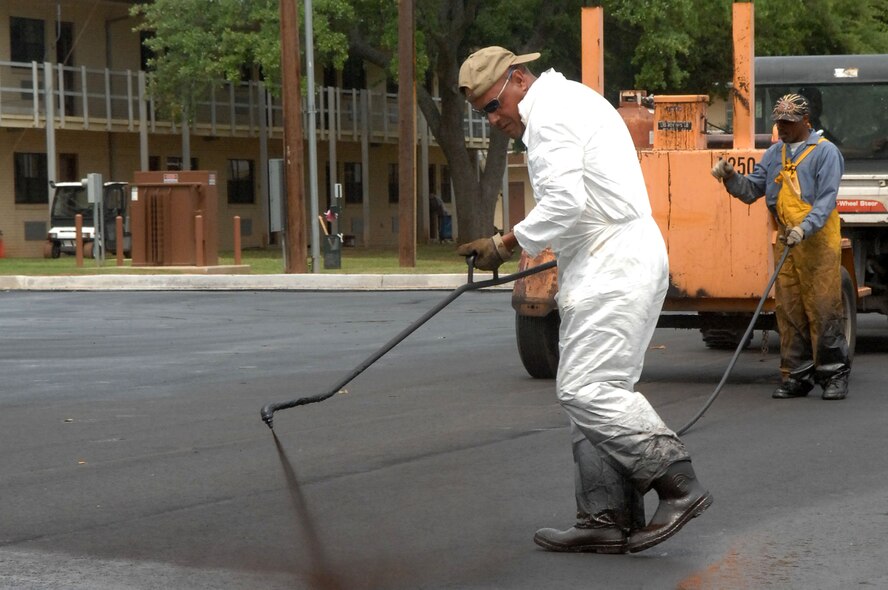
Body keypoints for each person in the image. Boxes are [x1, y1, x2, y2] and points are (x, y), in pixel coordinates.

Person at [455, 46, 712, 554]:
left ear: (518, 80)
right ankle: (605, 515)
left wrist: (505, 244)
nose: (493, 119)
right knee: (597, 391)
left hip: (614, 265)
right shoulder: (566, 102)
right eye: (482, 112)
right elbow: (582, 203)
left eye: (492, 106)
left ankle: (679, 483)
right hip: (609, 259)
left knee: (585, 388)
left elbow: (565, 204)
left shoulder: (548, 116)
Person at [712, 93, 850, 400]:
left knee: (823, 307)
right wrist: (731, 177)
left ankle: (833, 374)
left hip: (817, 240)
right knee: (788, 309)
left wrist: (805, 227)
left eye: (788, 122)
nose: (782, 128)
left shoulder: (825, 153)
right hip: (789, 239)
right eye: (778, 122)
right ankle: (797, 376)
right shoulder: (775, 154)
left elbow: (826, 199)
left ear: (805, 122)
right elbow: (751, 191)